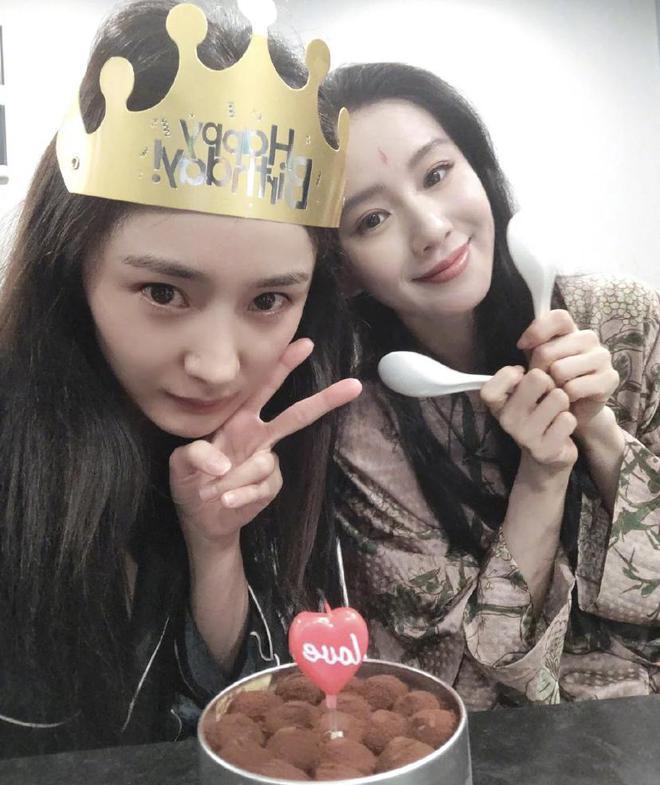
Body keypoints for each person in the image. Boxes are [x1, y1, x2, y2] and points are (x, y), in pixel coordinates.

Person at [0, 0, 360, 756]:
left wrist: (214, 544)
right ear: (72, 266)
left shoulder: (288, 427)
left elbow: (252, 718)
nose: (219, 366)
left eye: (269, 300)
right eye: (164, 292)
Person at [324, 62, 660, 708]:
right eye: (371, 219)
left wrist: (598, 431)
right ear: (344, 270)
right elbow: (461, 692)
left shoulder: (627, 321)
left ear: (478, 168)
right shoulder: (363, 431)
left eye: (436, 174)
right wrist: (542, 477)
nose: (431, 229)